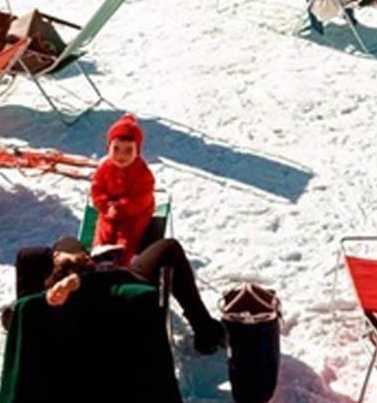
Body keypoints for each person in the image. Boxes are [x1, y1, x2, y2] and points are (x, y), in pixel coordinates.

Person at [15, 233, 225, 354]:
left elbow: (25, 256)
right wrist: (78, 271)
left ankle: (71, 256)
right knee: (169, 247)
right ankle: (206, 329)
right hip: (113, 296)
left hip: (71, 299)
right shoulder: (117, 288)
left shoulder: (32, 312)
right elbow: (115, 285)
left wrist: (63, 260)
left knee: (67, 241)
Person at [92, 113, 156, 254]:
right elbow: (97, 189)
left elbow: (143, 197)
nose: (121, 156)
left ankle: (122, 259)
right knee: (104, 228)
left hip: (135, 212)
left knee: (128, 233)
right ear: (108, 148)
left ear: (137, 151)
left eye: (128, 151)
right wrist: (106, 205)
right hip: (110, 209)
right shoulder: (104, 168)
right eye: (116, 149)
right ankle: (100, 253)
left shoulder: (142, 172)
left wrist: (122, 207)